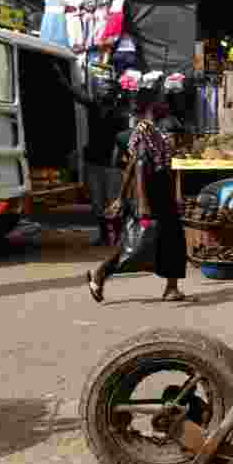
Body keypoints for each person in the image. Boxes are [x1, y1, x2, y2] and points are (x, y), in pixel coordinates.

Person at [86, 87, 189, 303]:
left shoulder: (161, 133)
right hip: (147, 198)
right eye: (161, 102)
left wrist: (177, 194)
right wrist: (139, 203)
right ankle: (100, 275)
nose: (165, 105)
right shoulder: (144, 133)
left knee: (174, 240)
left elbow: (173, 167)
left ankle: (171, 288)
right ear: (151, 106)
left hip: (163, 196)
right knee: (132, 245)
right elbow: (137, 166)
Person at [52, 63, 126, 246]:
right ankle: (105, 235)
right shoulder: (94, 107)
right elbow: (73, 93)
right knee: (98, 203)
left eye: (107, 89)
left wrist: (118, 160)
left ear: (115, 93)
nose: (104, 92)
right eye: (102, 89)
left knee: (112, 201)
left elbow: (122, 140)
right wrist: (60, 76)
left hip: (112, 165)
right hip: (94, 161)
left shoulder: (120, 114)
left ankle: (115, 236)